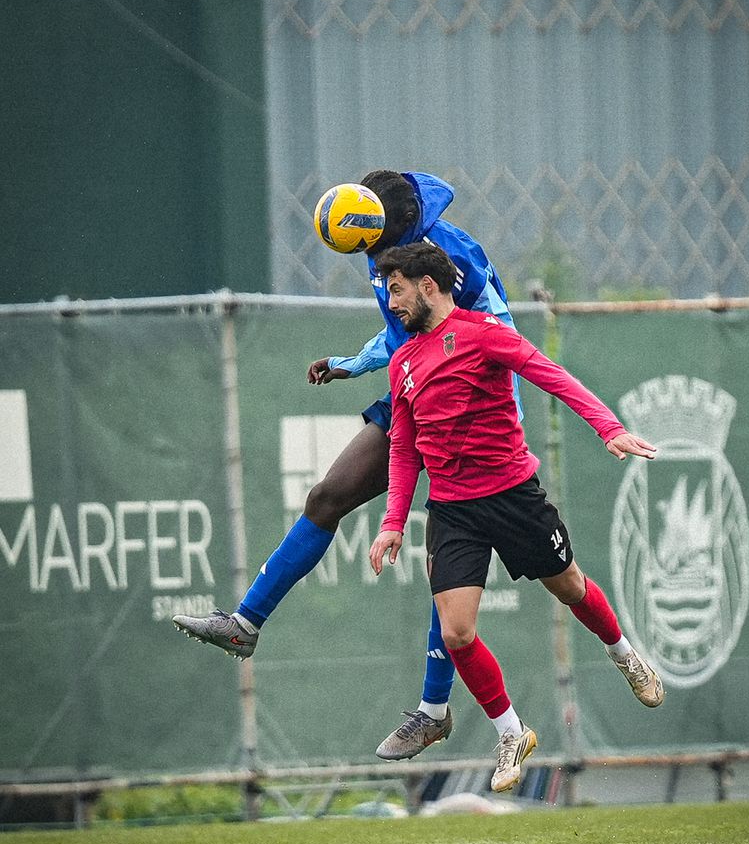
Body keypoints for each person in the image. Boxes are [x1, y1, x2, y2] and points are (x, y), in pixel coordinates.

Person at [173, 170, 521, 761]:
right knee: (326, 498)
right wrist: (352, 363)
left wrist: (470, 397)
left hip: (470, 408)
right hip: (411, 389)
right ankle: (246, 624)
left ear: (398, 225)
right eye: (367, 249)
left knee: (447, 558)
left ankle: (433, 710)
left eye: (377, 245)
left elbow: (498, 327)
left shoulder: (451, 252)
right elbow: (401, 328)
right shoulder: (378, 250)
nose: (375, 259)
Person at [368, 242, 663, 793]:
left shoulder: (483, 333)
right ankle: (511, 731)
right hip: (453, 511)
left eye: (398, 287)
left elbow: (551, 375)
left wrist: (608, 427)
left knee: (571, 587)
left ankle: (624, 655)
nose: (391, 298)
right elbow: (404, 446)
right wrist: (391, 522)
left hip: (513, 496)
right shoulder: (404, 361)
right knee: (457, 633)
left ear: (428, 286)